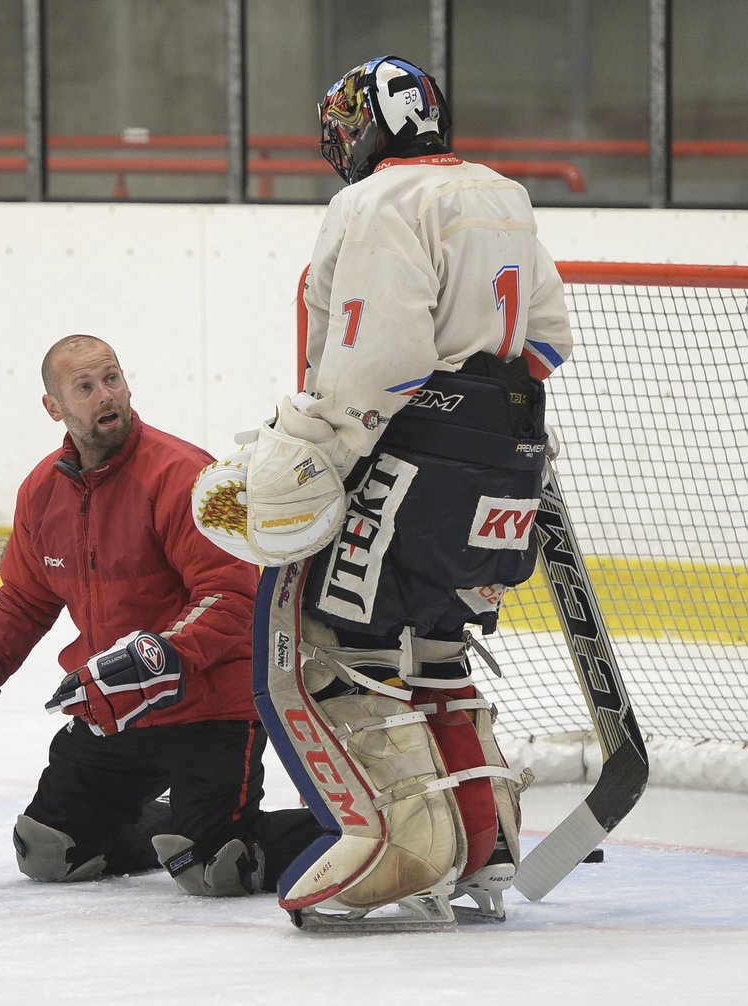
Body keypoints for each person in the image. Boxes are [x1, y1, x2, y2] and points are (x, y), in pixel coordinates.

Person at [192, 56, 574, 929]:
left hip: (419, 457)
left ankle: (399, 843)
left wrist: (311, 454)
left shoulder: (371, 204)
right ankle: (486, 843)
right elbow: (547, 340)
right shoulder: (501, 192)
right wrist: (477, 412)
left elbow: (379, 365)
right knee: (436, 644)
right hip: (513, 458)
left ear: (367, 125)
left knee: (314, 636)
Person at [0, 334, 321, 897]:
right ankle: (184, 828)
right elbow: (25, 602)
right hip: (117, 707)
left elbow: (234, 597)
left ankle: (368, 834)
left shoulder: (183, 476)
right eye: (85, 387)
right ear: (55, 408)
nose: (106, 396)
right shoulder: (42, 491)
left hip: (209, 704)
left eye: (112, 379)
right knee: (50, 851)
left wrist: (159, 657)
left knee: (216, 867)